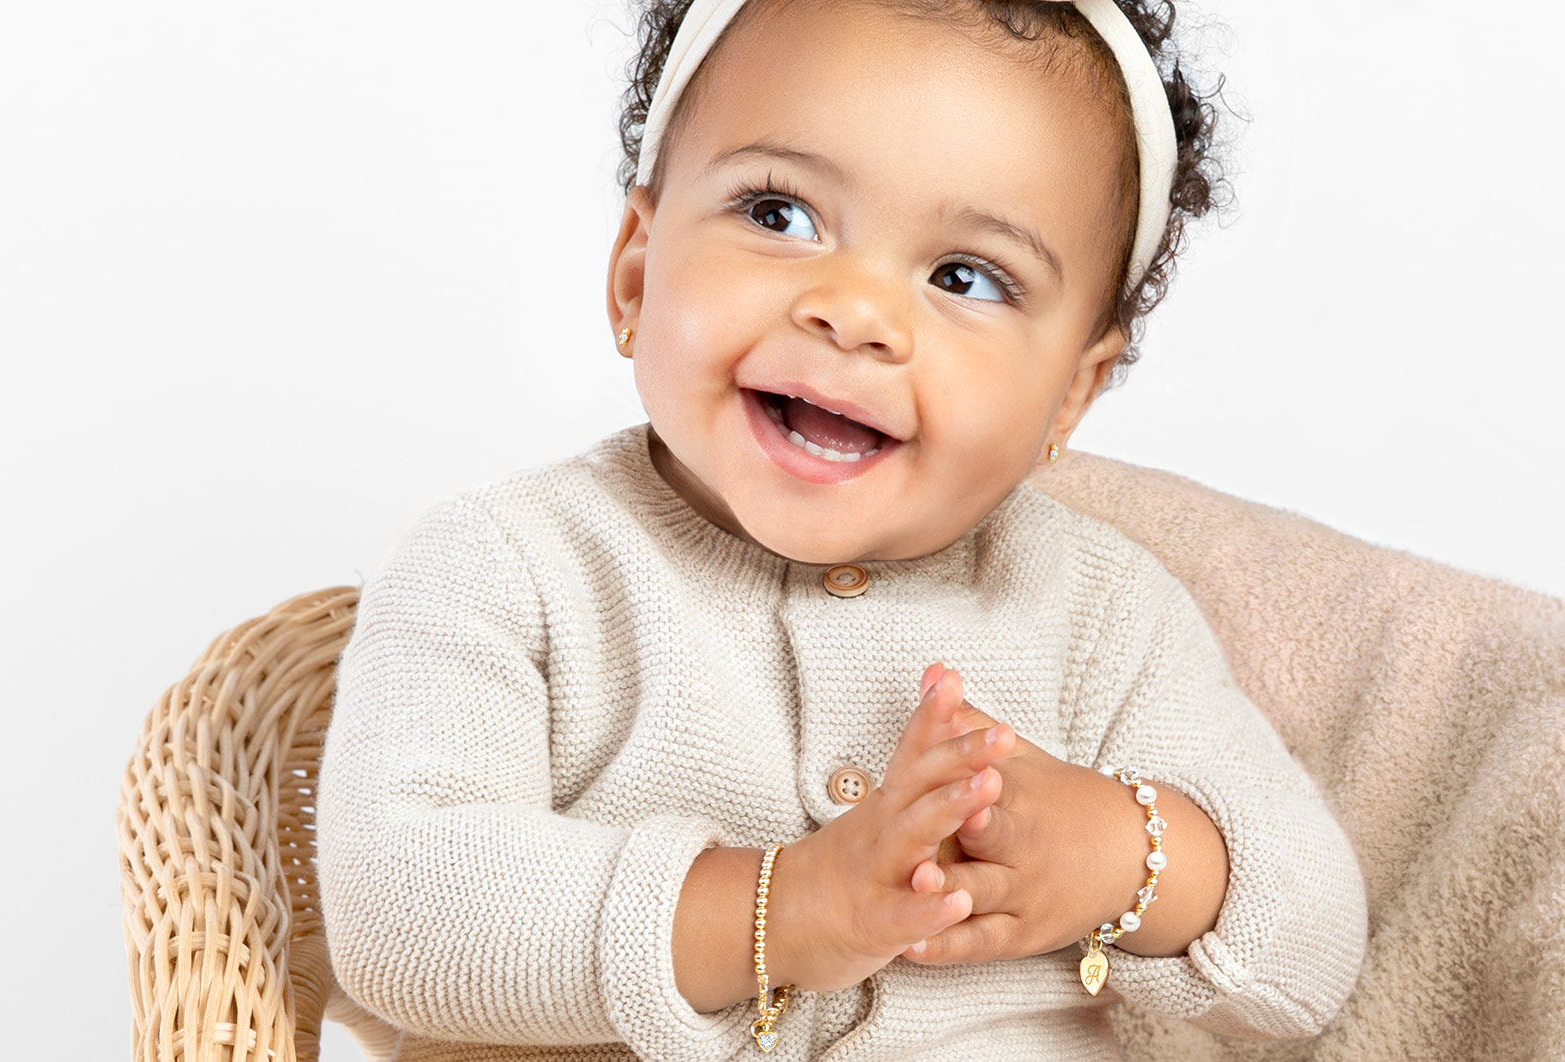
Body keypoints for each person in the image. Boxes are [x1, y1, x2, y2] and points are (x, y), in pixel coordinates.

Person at [316, 0, 1369, 1057]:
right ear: (636, 271)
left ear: (1067, 402)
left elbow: (1312, 958)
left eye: (965, 277)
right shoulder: (511, 567)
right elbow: (401, 914)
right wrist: (783, 907)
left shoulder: (1101, 616)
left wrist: (1122, 858)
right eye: (778, 213)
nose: (855, 311)